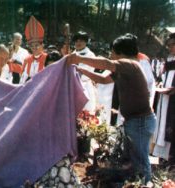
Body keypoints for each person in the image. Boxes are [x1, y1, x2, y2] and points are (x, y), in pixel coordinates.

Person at [66, 33, 156, 185]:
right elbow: (102, 79)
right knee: (130, 161)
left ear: (121, 53)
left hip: (140, 122)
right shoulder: (125, 68)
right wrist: (82, 70)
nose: (111, 55)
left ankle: (145, 184)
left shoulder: (129, 64)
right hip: (134, 121)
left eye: (112, 52)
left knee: (140, 161)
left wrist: (79, 58)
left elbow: (106, 63)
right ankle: (134, 184)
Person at [152, 32, 175, 162]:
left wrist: (171, 90)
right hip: (165, 100)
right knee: (163, 126)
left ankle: (171, 160)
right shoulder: (169, 60)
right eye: (169, 45)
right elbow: (163, 76)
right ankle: (163, 158)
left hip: (172, 101)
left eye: (173, 45)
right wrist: (160, 82)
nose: (170, 47)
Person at [72, 31, 97, 112]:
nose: (78, 43)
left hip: (85, 85)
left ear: (86, 42)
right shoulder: (72, 54)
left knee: (86, 111)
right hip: (73, 86)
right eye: (77, 41)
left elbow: (89, 71)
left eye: (81, 41)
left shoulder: (90, 55)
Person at [20, 16, 47, 84]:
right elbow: (23, 77)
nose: (34, 48)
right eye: (31, 46)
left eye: (36, 45)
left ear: (42, 45)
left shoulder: (47, 58)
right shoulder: (27, 60)